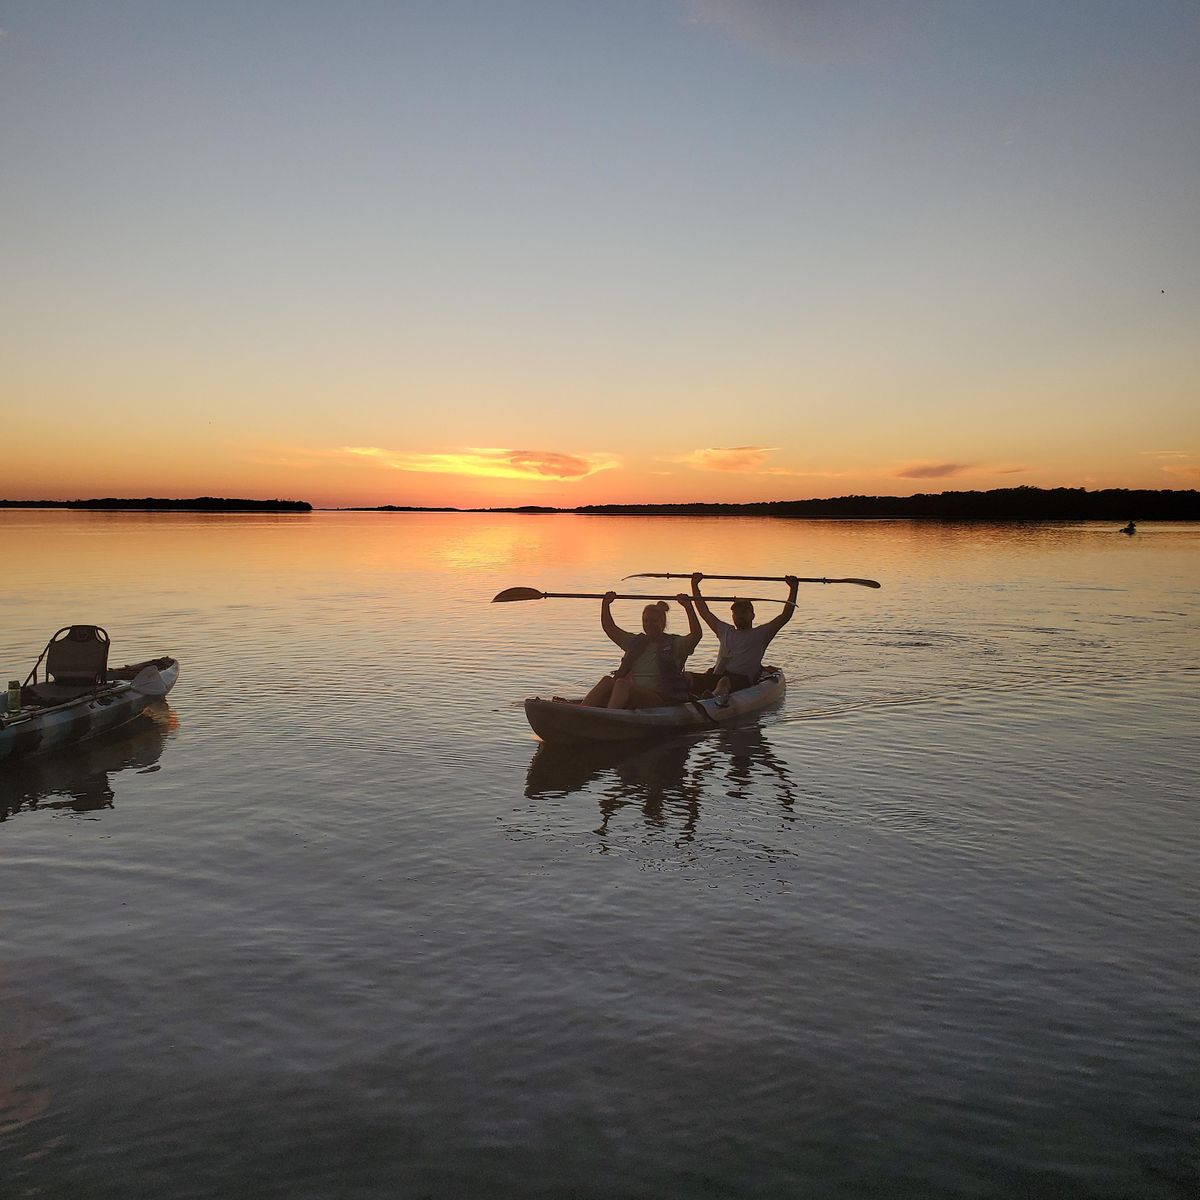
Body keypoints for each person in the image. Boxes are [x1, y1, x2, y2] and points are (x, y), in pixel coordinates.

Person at [688, 572, 799, 701]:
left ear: (752, 615)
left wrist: (793, 589)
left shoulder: (761, 634)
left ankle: (713, 698)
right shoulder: (725, 630)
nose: (739, 615)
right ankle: (677, 697)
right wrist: (694, 585)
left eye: (743, 612)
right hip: (717, 676)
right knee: (688, 677)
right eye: (736, 613)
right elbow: (704, 611)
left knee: (724, 681)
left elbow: (785, 616)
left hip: (742, 682)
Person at [581, 593, 702, 709]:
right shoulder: (635, 642)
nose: (649, 624)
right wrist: (606, 605)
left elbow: (696, 635)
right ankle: (582, 710)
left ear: (663, 623)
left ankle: (609, 714)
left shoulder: (675, 644)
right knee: (607, 681)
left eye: (654, 621)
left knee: (621, 684)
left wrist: (689, 607)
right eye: (646, 621)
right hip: (633, 694)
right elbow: (609, 628)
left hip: (661, 698)